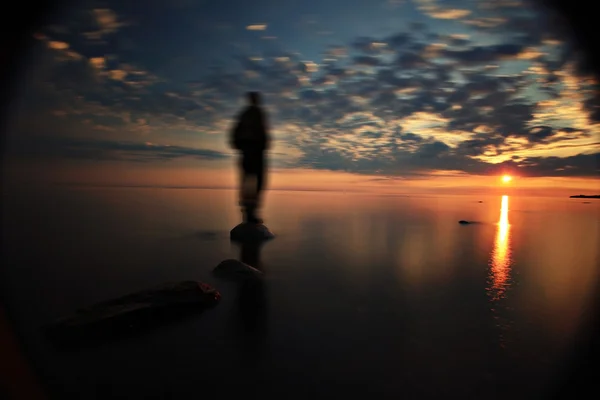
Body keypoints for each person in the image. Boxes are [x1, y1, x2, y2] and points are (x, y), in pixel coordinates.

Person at [229, 91, 270, 224]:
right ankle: (249, 213)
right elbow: (262, 132)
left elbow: (235, 133)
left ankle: (249, 213)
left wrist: (239, 145)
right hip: (253, 152)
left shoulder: (246, 114)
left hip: (251, 151)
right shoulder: (254, 113)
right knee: (254, 181)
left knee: (249, 181)